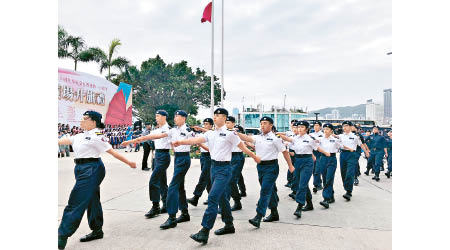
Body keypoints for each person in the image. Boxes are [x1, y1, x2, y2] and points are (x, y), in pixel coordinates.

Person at [171, 108, 261, 244]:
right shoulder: (211, 134)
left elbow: (243, 147)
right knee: (223, 198)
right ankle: (229, 225)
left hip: (224, 169)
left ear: (224, 118)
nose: (215, 117)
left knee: (213, 197)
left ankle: (204, 231)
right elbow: (195, 140)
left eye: (218, 115)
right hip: (214, 167)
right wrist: (180, 142)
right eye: (214, 115)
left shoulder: (230, 134)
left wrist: (255, 157)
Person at [57, 111, 136, 250]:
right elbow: (64, 141)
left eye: (85, 119)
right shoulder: (79, 135)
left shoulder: (97, 136)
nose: (81, 121)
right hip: (80, 168)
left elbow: (112, 151)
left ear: (93, 122)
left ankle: (62, 235)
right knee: (92, 199)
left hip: (92, 169)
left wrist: (129, 162)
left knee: (76, 201)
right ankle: (97, 230)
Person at [236, 116, 294, 228]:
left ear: (271, 125)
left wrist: (290, 166)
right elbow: (246, 138)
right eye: (261, 123)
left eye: (265, 123)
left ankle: (258, 216)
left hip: (271, 167)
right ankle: (274, 213)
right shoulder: (258, 137)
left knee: (265, 191)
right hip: (261, 167)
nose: (263, 125)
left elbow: (285, 152)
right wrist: (235, 133)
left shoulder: (275, 138)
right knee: (270, 190)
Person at [122, 110, 171, 217]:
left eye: (158, 116)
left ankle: (155, 206)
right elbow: (147, 138)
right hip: (157, 155)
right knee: (162, 182)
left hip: (163, 156)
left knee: (153, 181)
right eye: (156, 116)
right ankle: (166, 204)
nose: (156, 118)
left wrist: (130, 142)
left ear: (164, 117)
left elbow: (147, 137)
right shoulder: (157, 129)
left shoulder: (167, 129)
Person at [278, 121, 330, 218]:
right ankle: (309, 203)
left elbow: (317, 148)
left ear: (306, 129)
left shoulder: (310, 139)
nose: (300, 129)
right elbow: (288, 139)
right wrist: (279, 135)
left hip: (307, 162)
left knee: (302, 184)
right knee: (300, 183)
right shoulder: (295, 138)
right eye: (298, 127)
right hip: (298, 161)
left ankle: (299, 206)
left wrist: (325, 153)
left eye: (302, 127)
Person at [187, 118, 214, 206]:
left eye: (207, 124)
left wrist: (199, 144)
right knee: (208, 179)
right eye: (204, 124)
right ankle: (211, 197)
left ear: (211, 125)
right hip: (203, 157)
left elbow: (210, 150)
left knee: (203, 177)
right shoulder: (203, 135)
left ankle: (196, 197)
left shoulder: (212, 135)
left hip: (209, 157)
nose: (205, 125)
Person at [316, 123, 342, 208]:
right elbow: (316, 147)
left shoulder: (335, 140)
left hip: (332, 159)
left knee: (329, 178)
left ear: (331, 130)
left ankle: (326, 199)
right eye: (324, 129)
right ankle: (331, 196)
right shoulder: (320, 139)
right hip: (323, 159)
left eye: (327, 129)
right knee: (324, 178)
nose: (325, 130)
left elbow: (341, 146)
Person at [225, 116, 246, 211]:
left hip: (237, 157)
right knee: (229, 181)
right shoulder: (224, 132)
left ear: (233, 123)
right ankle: (236, 202)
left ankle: (235, 202)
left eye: (229, 122)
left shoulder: (236, 132)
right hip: (228, 157)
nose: (227, 124)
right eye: (226, 122)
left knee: (231, 180)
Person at [339, 121, 363, 201]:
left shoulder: (355, 136)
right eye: (343, 126)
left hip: (352, 155)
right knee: (343, 173)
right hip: (343, 155)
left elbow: (361, 144)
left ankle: (349, 192)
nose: (344, 127)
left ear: (350, 127)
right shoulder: (340, 136)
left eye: (346, 126)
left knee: (350, 173)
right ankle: (346, 188)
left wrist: (366, 152)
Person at [311, 121, 324, 193]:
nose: (316, 127)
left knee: (317, 170)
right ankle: (317, 184)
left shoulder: (322, 134)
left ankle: (318, 185)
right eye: (315, 125)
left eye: (317, 125)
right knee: (313, 170)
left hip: (320, 153)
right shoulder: (311, 134)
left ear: (320, 127)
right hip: (313, 153)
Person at [284, 119, 298, 188]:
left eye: (296, 126)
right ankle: (290, 181)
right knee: (291, 166)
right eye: (293, 125)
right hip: (291, 152)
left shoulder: (300, 136)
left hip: (298, 154)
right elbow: (287, 142)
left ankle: (294, 184)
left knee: (296, 169)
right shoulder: (290, 134)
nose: (294, 128)